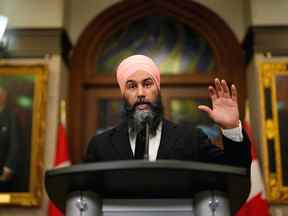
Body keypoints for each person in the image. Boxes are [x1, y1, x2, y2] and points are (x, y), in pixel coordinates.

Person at [85, 55, 251, 168]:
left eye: (147, 84)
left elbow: (234, 174)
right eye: (132, 86)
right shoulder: (101, 146)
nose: (141, 93)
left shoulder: (191, 139)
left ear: (158, 89)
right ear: (123, 94)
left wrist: (231, 128)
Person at [0, 85, 22, 192]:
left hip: (3, 171)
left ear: (4, 96)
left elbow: (15, 145)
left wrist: (8, 167)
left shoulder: (11, 116)